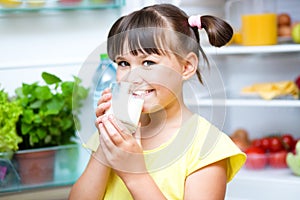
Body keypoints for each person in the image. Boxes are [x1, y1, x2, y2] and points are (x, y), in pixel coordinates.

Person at [69, 3, 246, 200]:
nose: (132, 77)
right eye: (123, 63)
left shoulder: (207, 146)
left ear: (186, 66)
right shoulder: (116, 133)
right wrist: (107, 143)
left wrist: (134, 174)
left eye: (148, 63)